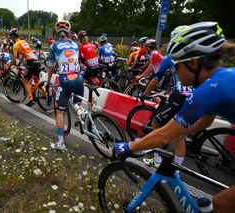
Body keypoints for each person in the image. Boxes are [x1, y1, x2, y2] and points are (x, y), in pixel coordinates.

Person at [113, 21, 235, 212]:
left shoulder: (209, 90)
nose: (175, 72)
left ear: (193, 63)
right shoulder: (220, 79)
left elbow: (163, 136)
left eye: (177, 65)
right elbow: (206, 121)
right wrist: (179, 129)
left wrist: (129, 146)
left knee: (222, 204)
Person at [141, 26, 191, 168]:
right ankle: (177, 168)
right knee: (180, 135)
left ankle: (157, 161)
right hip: (196, 96)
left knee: (157, 123)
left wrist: (145, 94)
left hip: (179, 96)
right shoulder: (196, 55)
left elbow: (156, 79)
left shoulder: (171, 57)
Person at [47, 20, 83, 150]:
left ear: (57, 33)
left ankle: (60, 143)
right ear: (68, 32)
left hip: (65, 80)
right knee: (78, 103)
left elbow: (51, 66)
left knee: (59, 111)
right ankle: (81, 112)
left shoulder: (53, 46)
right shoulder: (76, 44)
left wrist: (48, 80)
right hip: (79, 78)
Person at [5, 28, 41, 107]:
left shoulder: (15, 45)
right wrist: (20, 62)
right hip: (37, 62)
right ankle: (45, 95)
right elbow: (25, 54)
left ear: (13, 37)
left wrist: (8, 67)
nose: (10, 38)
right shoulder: (24, 41)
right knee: (37, 82)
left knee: (25, 81)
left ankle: (31, 99)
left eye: (10, 36)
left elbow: (14, 59)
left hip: (31, 62)